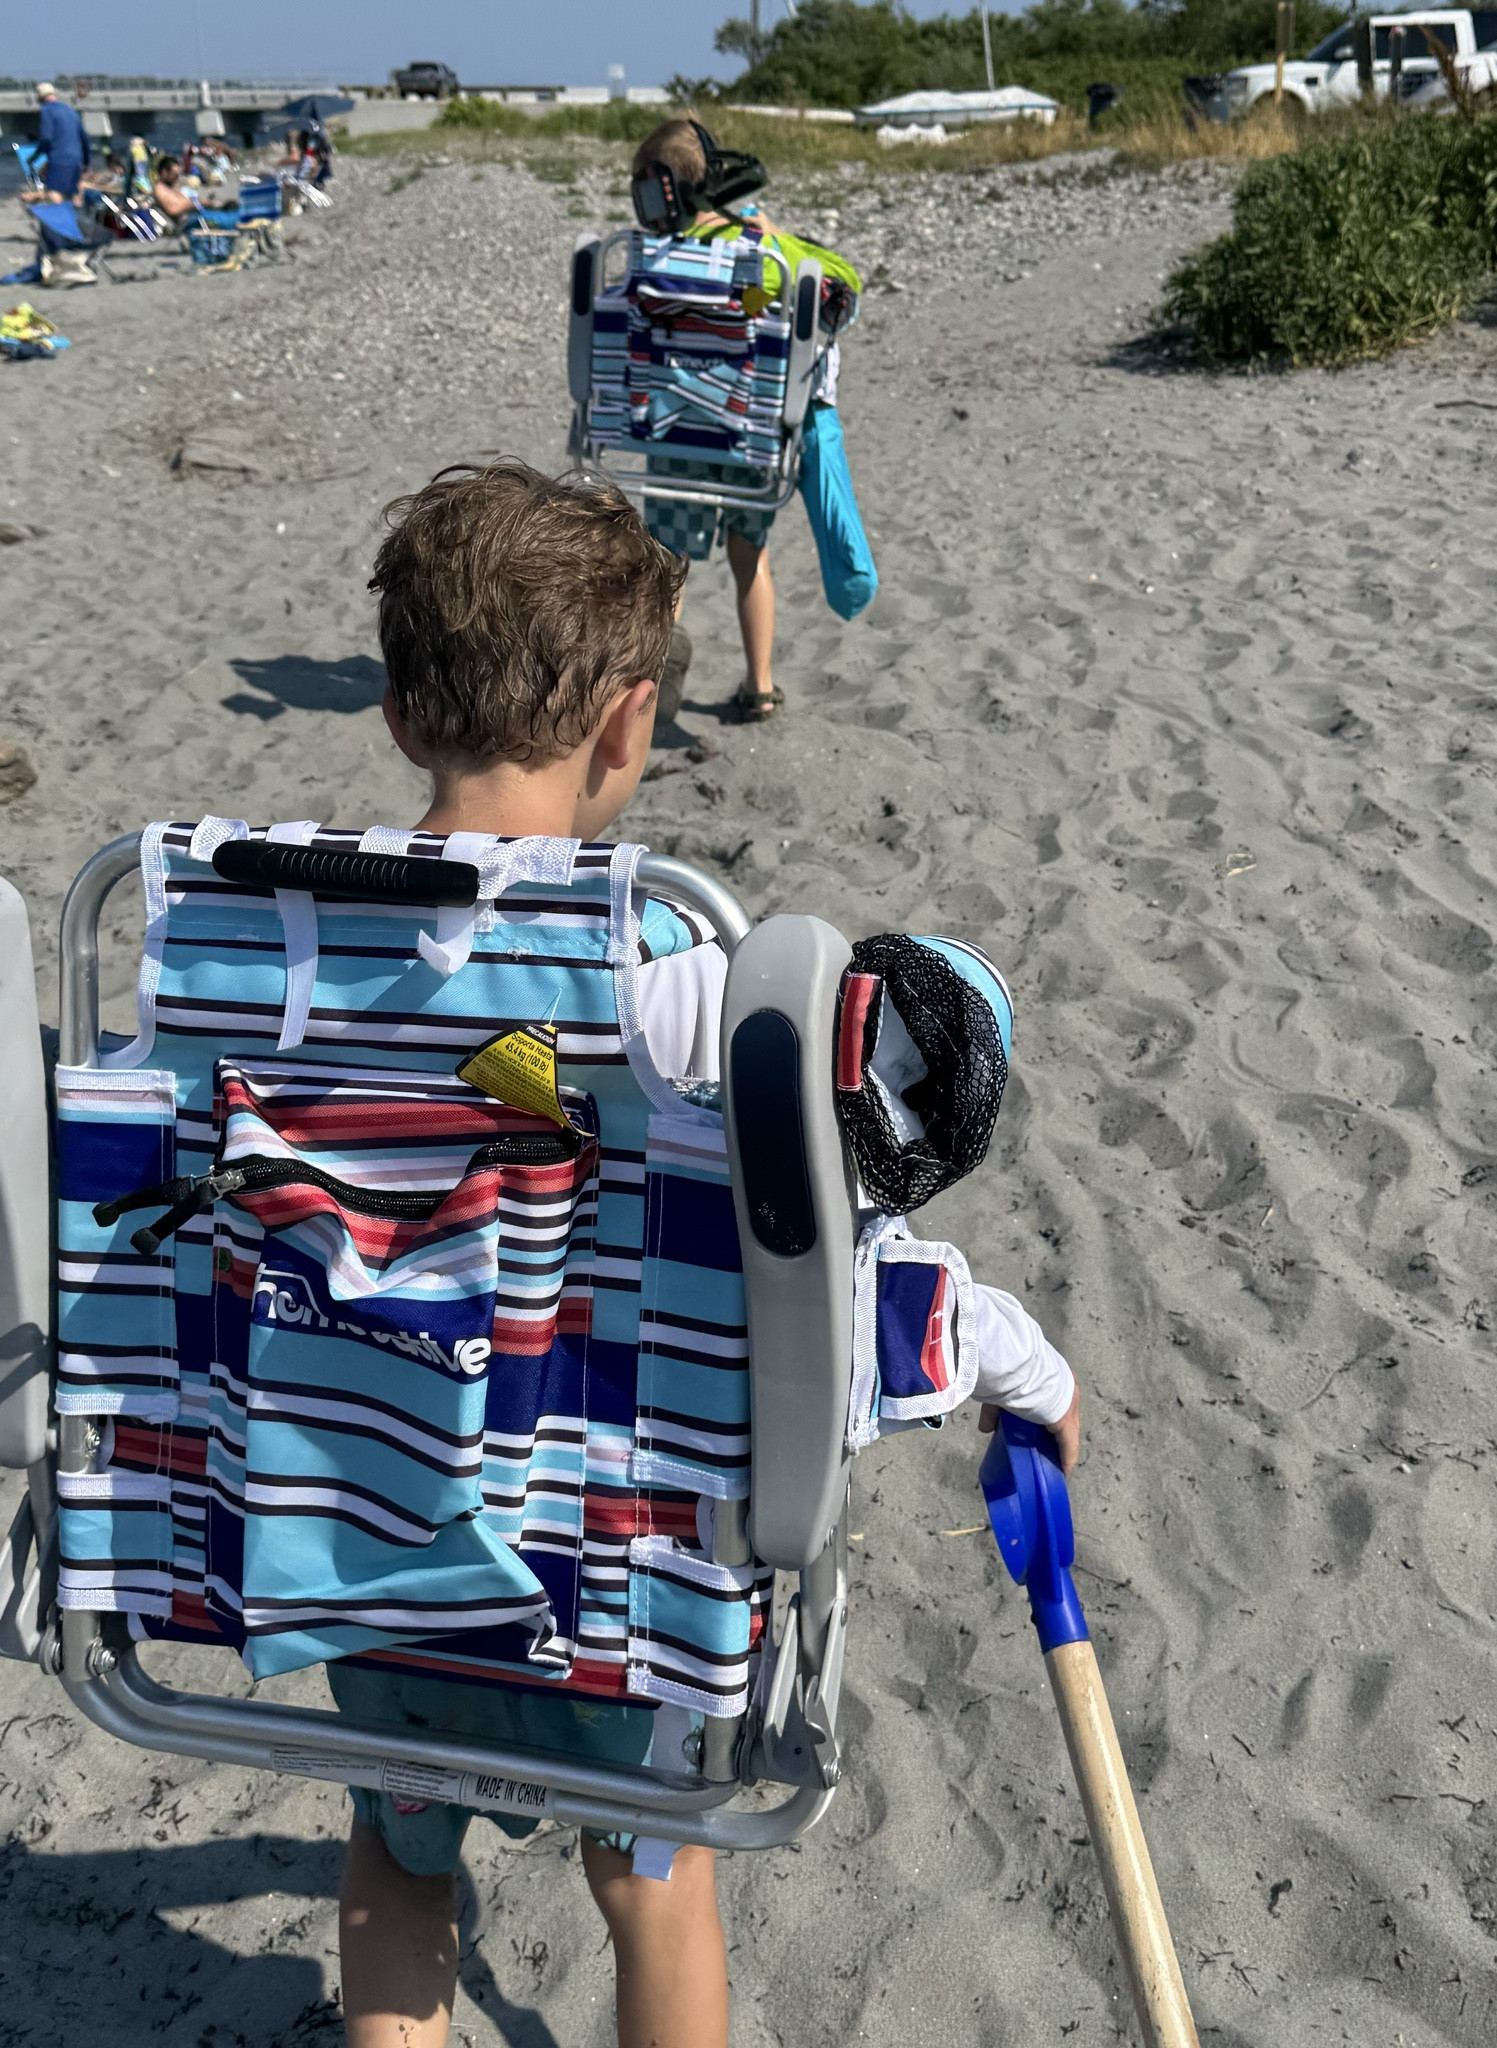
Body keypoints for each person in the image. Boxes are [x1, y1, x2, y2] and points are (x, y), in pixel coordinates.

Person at [334, 459, 1080, 2048]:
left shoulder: (272, 953)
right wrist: (1027, 1367)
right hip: (607, 1601)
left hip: (362, 1561)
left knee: (395, 1873)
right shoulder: (678, 989)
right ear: (628, 727)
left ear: (399, 718)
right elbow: (839, 1302)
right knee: (652, 1884)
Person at [630, 120, 861, 723]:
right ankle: (760, 685)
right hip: (749, 436)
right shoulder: (762, 249)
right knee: (749, 558)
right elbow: (844, 287)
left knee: (670, 559)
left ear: (663, 193)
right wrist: (779, 238)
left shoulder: (648, 258)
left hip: (680, 434)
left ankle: (652, 678)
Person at [34, 82, 88, 204]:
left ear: (41, 99)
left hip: (58, 158)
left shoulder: (46, 111)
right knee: (71, 194)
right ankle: (74, 220)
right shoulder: (71, 111)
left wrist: (37, 154)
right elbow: (84, 139)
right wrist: (87, 162)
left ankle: (59, 220)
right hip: (76, 159)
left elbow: (46, 138)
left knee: (54, 192)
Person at [148, 156, 197, 227]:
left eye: (178, 175)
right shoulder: (159, 190)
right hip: (178, 227)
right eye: (174, 175)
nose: (177, 178)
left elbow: (186, 201)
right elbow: (172, 210)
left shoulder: (170, 188)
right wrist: (189, 204)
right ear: (164, 172)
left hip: (187, 221)